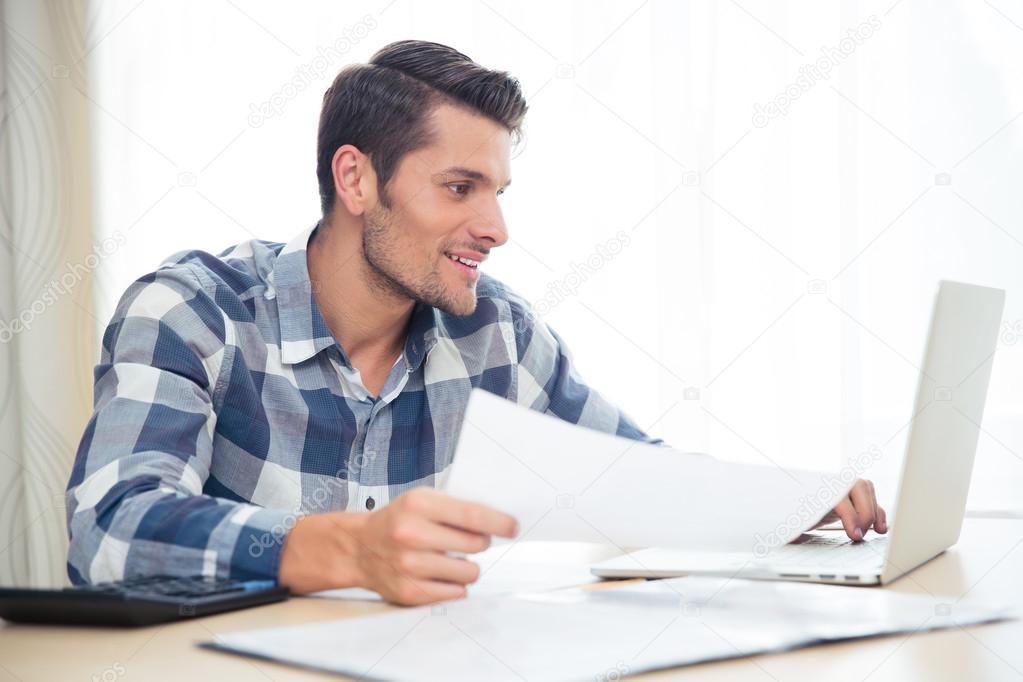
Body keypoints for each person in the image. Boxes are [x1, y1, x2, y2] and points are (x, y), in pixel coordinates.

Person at [66, 40, 886, 606]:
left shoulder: (495, 333)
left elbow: (637, 482)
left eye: (497, 192)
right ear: (356, 178)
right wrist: (349, 549)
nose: (495, 228)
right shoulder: (191, 312)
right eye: (460, 188)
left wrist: (783, 504)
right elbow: (107, 530)